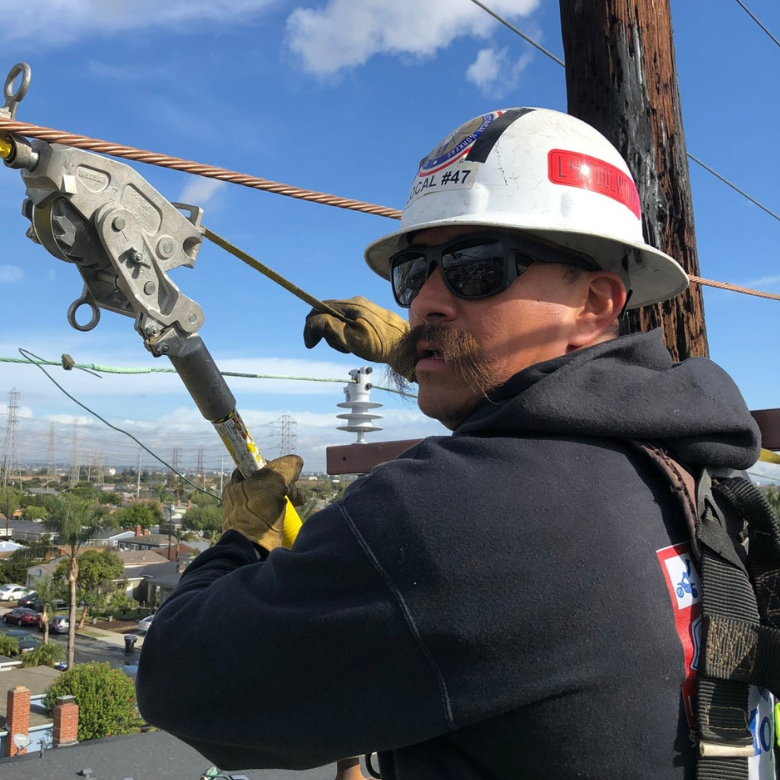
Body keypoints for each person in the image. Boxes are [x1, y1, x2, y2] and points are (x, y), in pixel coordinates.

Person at [136, 108, 764, 779]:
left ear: (595, 303)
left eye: (476, 267)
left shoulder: (454, 510)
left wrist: (243, 542)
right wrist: (433, 354)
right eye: (415, 272)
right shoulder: (690, 466)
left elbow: (180, 681)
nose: (425, 303)